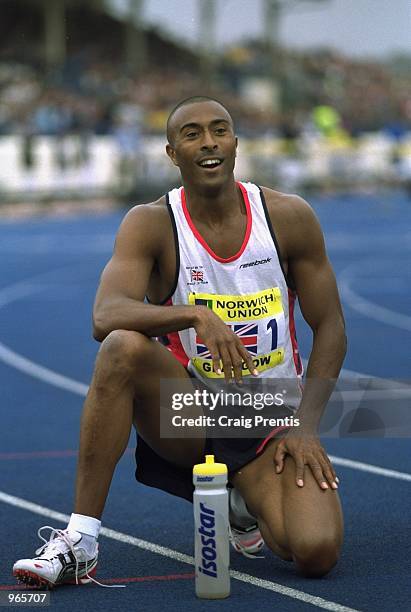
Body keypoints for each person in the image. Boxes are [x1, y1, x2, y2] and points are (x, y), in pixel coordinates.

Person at [13, 96, 346, 587]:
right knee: (121, 349)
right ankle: (80, 541)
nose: (208, 142)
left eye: (219, 131)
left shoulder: (287, 217)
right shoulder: (152, 223)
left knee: (315, 552)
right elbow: (105, 316)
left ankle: (236, 502)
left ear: (236, 143)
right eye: (192, 134)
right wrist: (194, 314)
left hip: (269, 417)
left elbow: (332, 325)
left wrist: (306, 424)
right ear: (172, 153)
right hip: (188, 411)